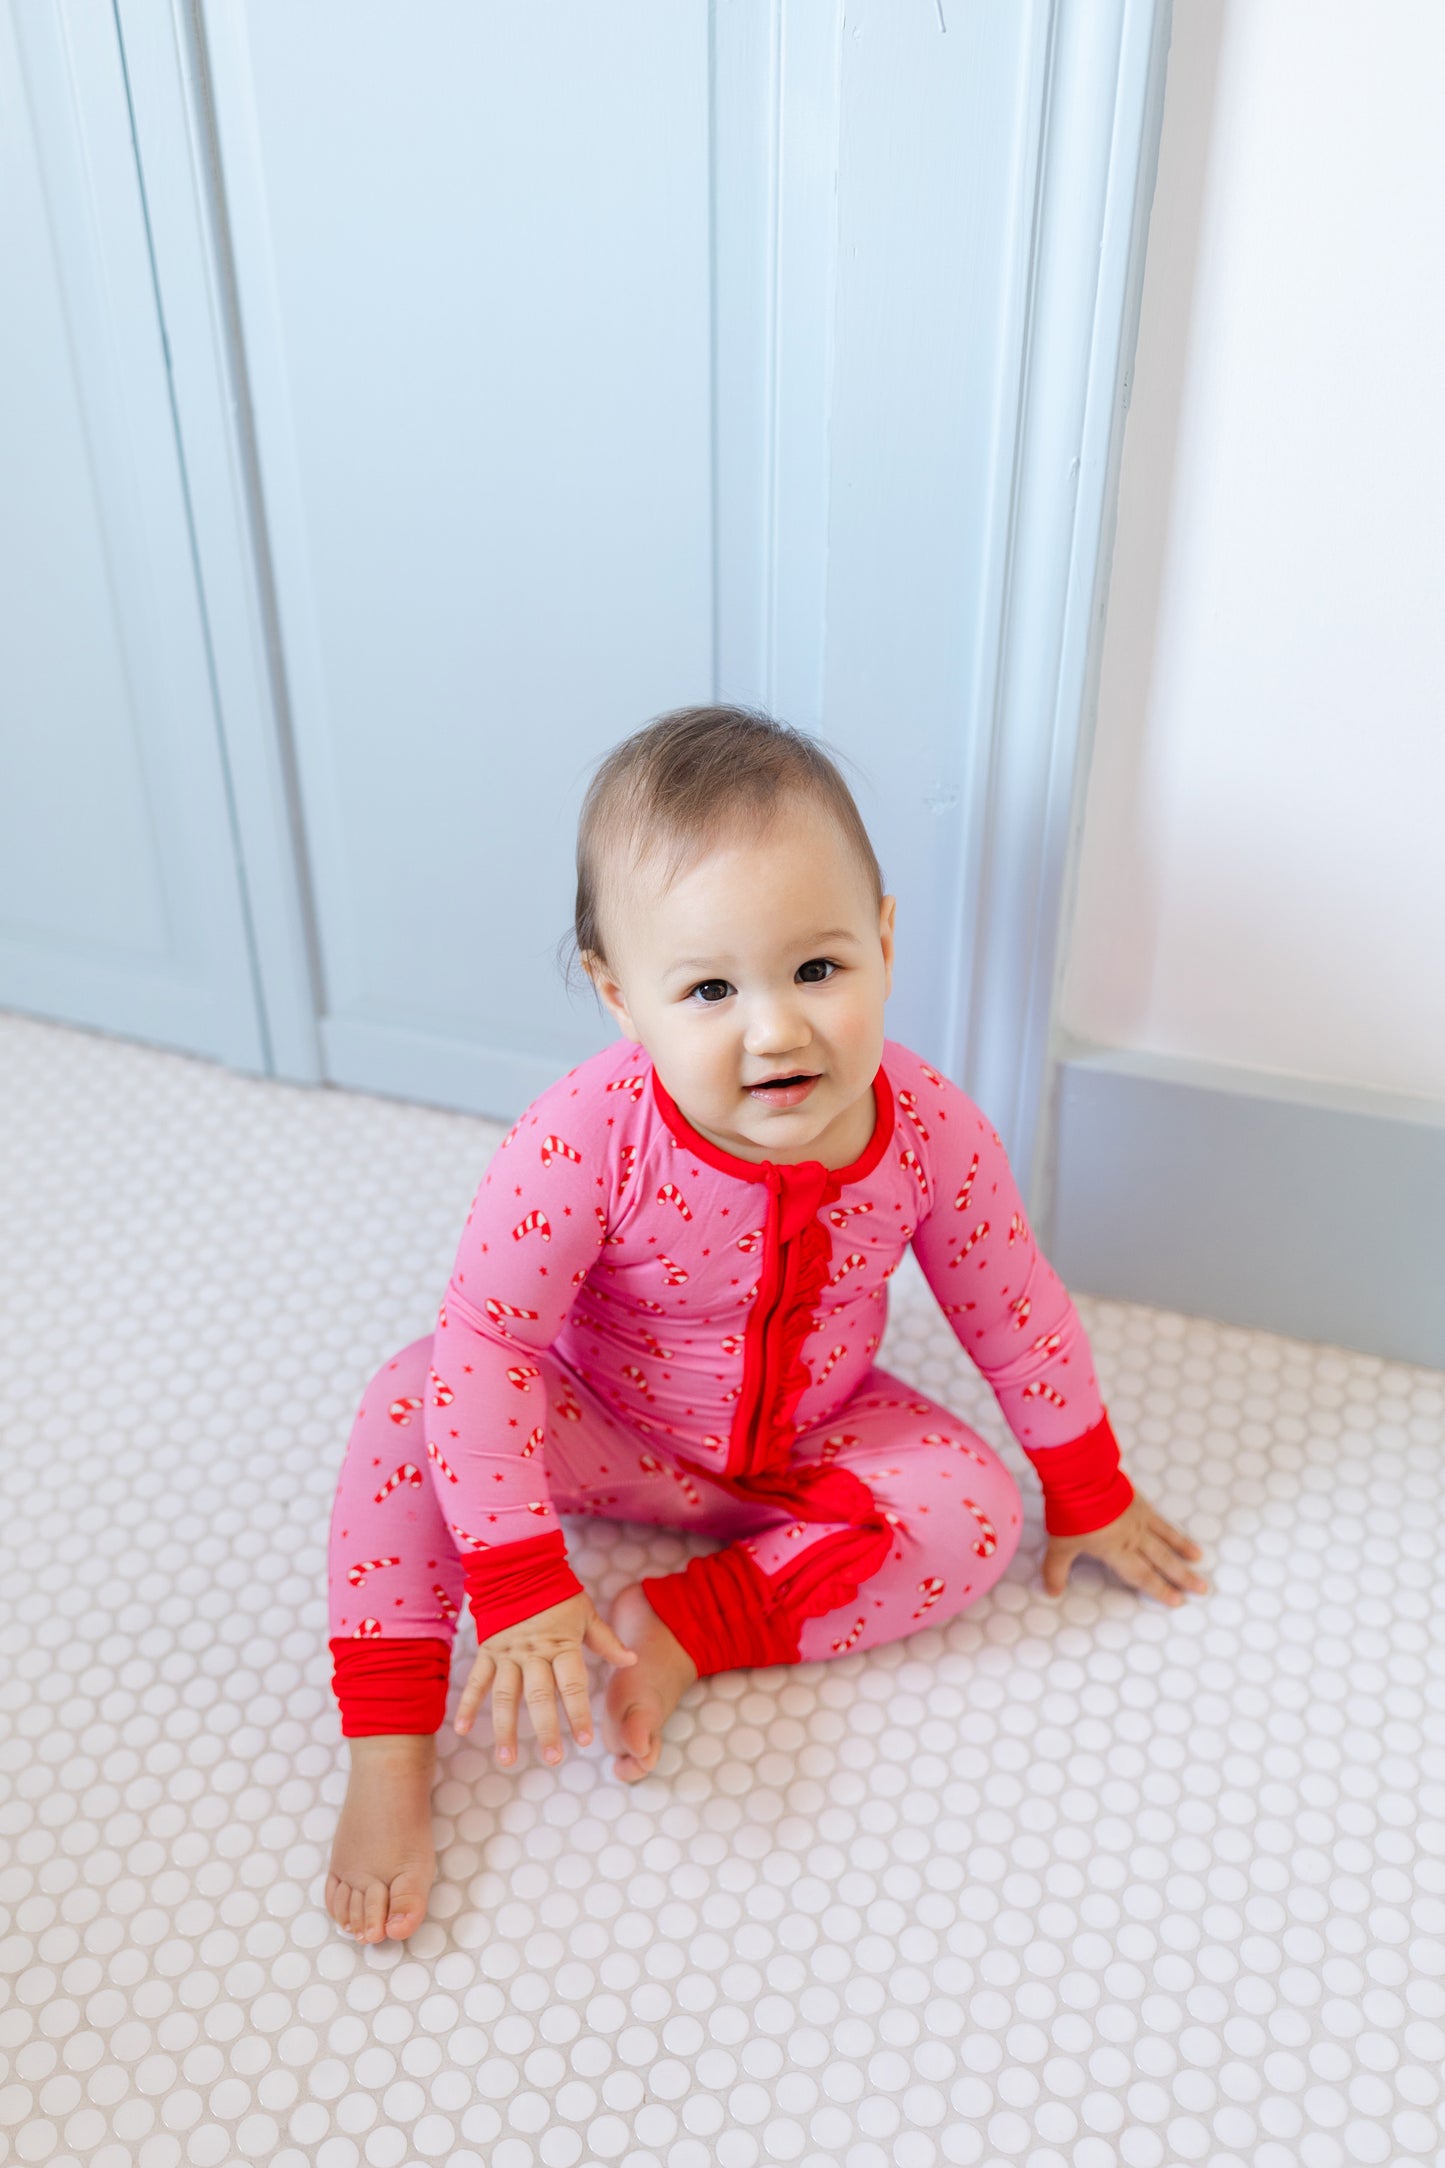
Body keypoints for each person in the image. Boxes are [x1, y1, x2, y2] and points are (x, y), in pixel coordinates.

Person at [324, 705, 1209, 1943]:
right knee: (410, 1398)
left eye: (816, 968)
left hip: (807, 1437)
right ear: (619, 997)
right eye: (706, 987)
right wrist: (519, 1576)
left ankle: (685, 1625)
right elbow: (493, 1349)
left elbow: (1012, 1309)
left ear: (885, 942)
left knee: (973, 1511)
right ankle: (388, 1753)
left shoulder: (928, 1129)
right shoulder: (579, 1141)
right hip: (600, 1426)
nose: (776, 1027)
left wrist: (1087, 1482)